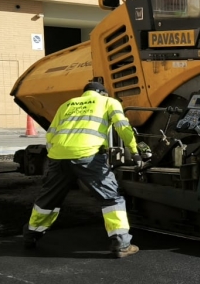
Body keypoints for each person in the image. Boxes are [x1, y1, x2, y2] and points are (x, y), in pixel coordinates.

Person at [24, 80, 148, 257]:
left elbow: (51, 133)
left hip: (58, 156)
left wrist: (54, 154)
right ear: (103, 93)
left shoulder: (66, 104)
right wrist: (135, 152)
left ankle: (30, 236)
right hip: (88, 156)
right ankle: (121, 245)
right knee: (111, 198)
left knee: (48, 199)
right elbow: (123, 126)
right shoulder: (108, 102)